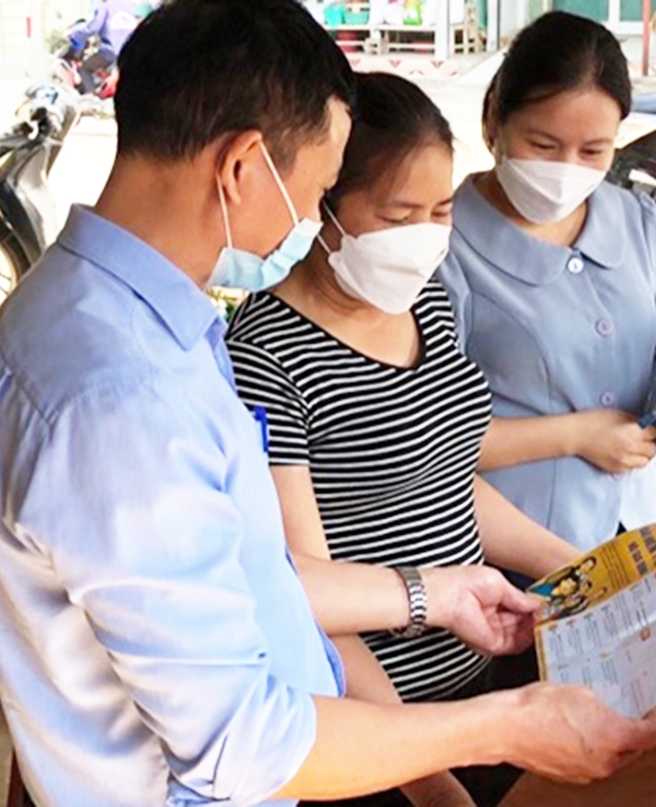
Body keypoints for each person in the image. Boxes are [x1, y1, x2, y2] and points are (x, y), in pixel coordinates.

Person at [0, 3, 656, 807]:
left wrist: (435, 592)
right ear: (243, 167)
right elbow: (244, 745)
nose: (312, 217)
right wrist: (501, 725)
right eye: (320, 188)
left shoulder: (115, 311)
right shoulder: (121, 397)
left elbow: (255, 568)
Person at [227, 72, 583, 807]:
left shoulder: (427, 299)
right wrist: (427, 778)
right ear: (326, 208)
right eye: (398, 215)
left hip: (487, 687)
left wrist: (579, 567)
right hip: (379, 736)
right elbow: (303, 596)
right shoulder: (264, 353)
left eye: (442, 210)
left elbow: (444, 481)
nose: (425, 238)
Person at [439, 11, 656, 554]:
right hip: (516, 553)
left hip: (641, 529)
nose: (567, 168)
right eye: (544, 146)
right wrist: (576, 435)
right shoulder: (443, 245)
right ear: (492, 121)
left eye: (593, 151)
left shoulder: (633, 219)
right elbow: (417, 432)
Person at [68, 0, 140, 94]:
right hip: (131, 52)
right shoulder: (130, 5)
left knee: (84, 68)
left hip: (111, 52)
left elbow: (92, 27)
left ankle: (92, 98)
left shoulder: (104, 5)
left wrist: (75, 33)